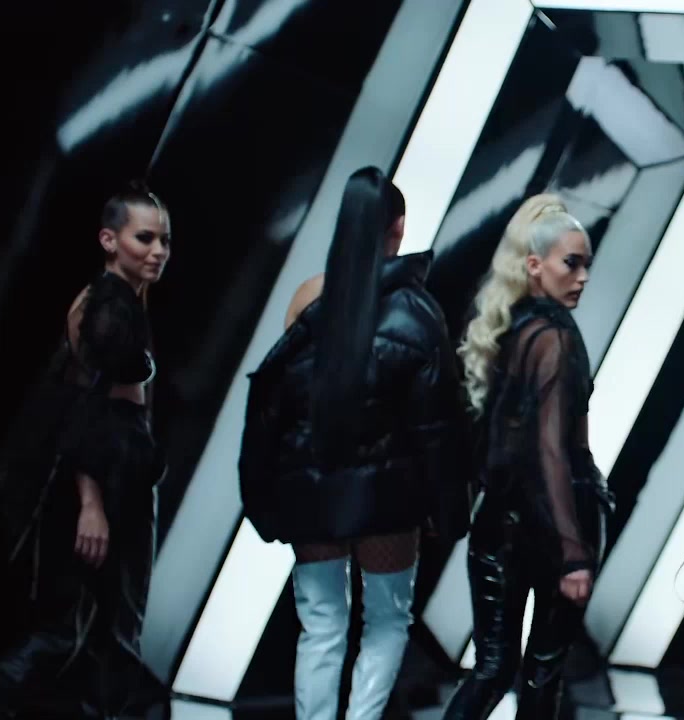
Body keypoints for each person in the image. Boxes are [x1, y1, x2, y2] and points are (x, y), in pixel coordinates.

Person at [238, 167, 465, 720]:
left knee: (320, 624)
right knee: (386, 622)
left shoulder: (308, 299)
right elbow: (438, 429)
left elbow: (272, 403)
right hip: (388, 497)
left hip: (310, 489)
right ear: (399, 227)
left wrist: (262, 494)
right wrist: (448, 508)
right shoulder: (416, 311)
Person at [0, 181, 170, 717]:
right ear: (109, 240)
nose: (158, 251)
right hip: (109, 481)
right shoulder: (108, 311)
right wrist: (92, 502)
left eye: (164, 240)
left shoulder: (113, 303)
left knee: (87, 623)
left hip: (111, 476)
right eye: (144, 238)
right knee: (102, 627)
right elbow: (84, 408)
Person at [443, 193, 613, 720]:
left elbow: (506, 447)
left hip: (497, 524)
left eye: (586, 264)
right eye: (571, 263)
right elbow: (550, 449)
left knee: (494, 669)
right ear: (535, 265)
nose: (583, 276)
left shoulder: (509, 330)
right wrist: (573, 552)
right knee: (540, 674)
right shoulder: (555, 338)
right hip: (553, 525)